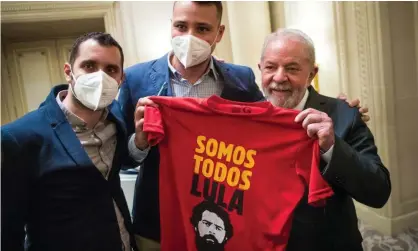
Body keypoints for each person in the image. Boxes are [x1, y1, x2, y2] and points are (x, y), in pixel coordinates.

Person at [118, 1, 370, 250]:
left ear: (219, 33)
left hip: (225, 217)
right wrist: (139, 142)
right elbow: (121, 158)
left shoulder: (240, 78)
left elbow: (274, 117)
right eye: (181, 26)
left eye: (203, 28)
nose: (190, 36)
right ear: (171, 25)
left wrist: (337, 110)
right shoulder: (136, 79)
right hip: (159, 222)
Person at [1, 32, 137, 251]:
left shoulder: (117, 119)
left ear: (120, 78)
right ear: (69, 72)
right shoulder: (18, 137)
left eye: (111, 69)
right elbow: (8, 229)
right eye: (89, 66)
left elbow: (116, 171)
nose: (100, 77)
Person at [258, 28, 391, 250]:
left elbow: (379, 191)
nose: (279, 77)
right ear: (260, 69)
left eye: (292, 68)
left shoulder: (345, 114)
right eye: (271, 67)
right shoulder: (247, 116)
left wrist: (332, 147)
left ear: (311, 74)